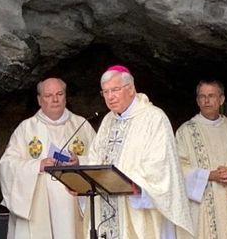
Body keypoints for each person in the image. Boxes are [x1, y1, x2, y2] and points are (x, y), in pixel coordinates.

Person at [83, 65, 195, 238]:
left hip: (138, 211)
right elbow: (95, 157)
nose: (110, 97)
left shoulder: (154, 118)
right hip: (108, 208)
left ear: (131, 89)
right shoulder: (107, 121)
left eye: (115, 90)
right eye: (105, 92)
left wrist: (125, 180)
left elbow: (161, 165)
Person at [0, 78, 95, 238]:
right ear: (39, 100)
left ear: (66, 96)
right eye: (49, 95)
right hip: (39, 207)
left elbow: (100, 159)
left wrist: (80, 162)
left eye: (59, 94)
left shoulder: (82, 125)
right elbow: (7, 164)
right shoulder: (27, 128)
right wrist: (38, 165)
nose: (55, 99)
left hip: (73, 205)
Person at [176, 80, 227, 239]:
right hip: (199, 206)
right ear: (197, 100)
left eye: (211, 96)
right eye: (202, 96)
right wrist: (209, 175)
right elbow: (177, 167)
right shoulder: (185, 131)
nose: (206, 101)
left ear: (221, 100)